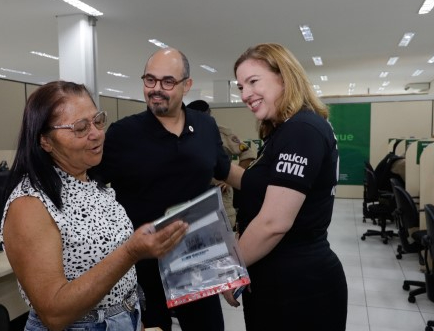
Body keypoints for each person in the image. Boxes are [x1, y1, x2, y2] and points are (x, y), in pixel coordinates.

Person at [0, 81, 188, 331]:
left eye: (98, 120)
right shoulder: (30, 204)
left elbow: (116, 283)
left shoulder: (92, 183)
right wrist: (131, 252)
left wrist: (134, 321)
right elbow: (54, 314)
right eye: (80, 127)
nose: (97, 133)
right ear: (45, 141)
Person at [91, 48, 242, 331]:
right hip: (142, 266)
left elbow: (224, 171)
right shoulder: (123, 134)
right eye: (150, 80)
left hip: (197, 261)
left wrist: (274, 189)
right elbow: (90, 187)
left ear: (187, 85)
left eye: (167, 82)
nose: (156, 90)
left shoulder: (206, 126)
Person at [223, 43, 348, 331]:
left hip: (300, 289)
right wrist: (216, 164)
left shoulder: (301, 130)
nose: (244, 95)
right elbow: (259, 186)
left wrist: (230, 270)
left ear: (284, 77)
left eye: (253, 81)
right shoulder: (284, 131)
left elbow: (273, 222)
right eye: (240, 86)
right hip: (278, 282)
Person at [186, 99, 256, 229]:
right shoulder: (184, 135)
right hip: (194, 198)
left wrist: (229, 180)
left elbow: (248, 154)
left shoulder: (221, 133)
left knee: (224, 235)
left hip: (219, 194)